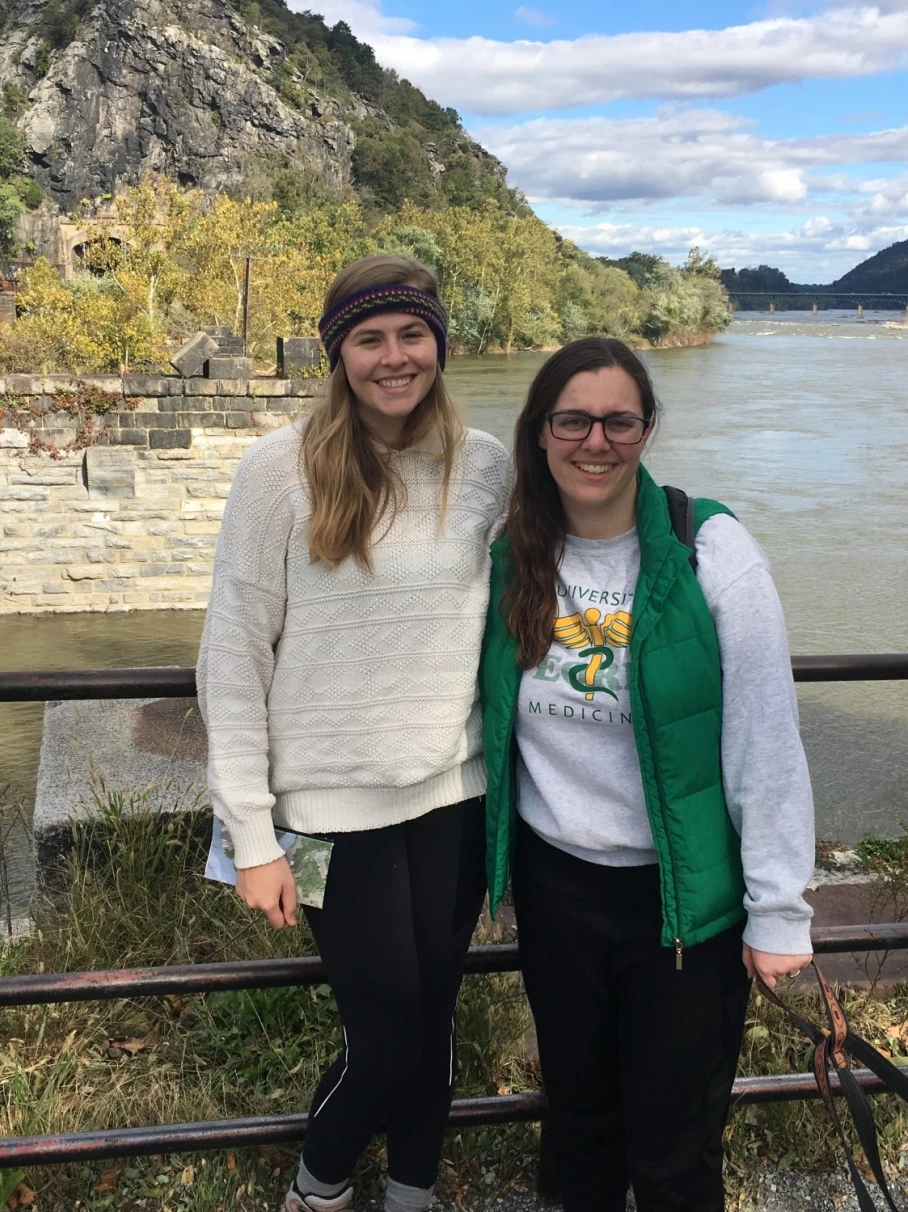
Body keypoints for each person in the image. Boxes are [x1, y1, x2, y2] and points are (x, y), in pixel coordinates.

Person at [196, 254, 510, 1212]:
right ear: (339, 354)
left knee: (436, 1022)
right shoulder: (278, 475)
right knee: (385, 1041)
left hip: (454, 796)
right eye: (369, 338)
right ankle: (318, 1190)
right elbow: (234, 662)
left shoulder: (487, 466)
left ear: (440, 346)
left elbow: (578, 540)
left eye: (413, 334)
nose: (394, 357)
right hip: (332, 816)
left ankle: (411, 1196)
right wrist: (252, 836)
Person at [479, 337, 815, 1211]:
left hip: (681, 904)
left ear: (648, 427)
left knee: (673, 1148)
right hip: (557, 894)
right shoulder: (512, 553)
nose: (596, 441)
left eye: (618, 420)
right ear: (541, 432)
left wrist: (779, 908)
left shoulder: (709, 549)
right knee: (580, 1123)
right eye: (573, 420)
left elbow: (764, 736)